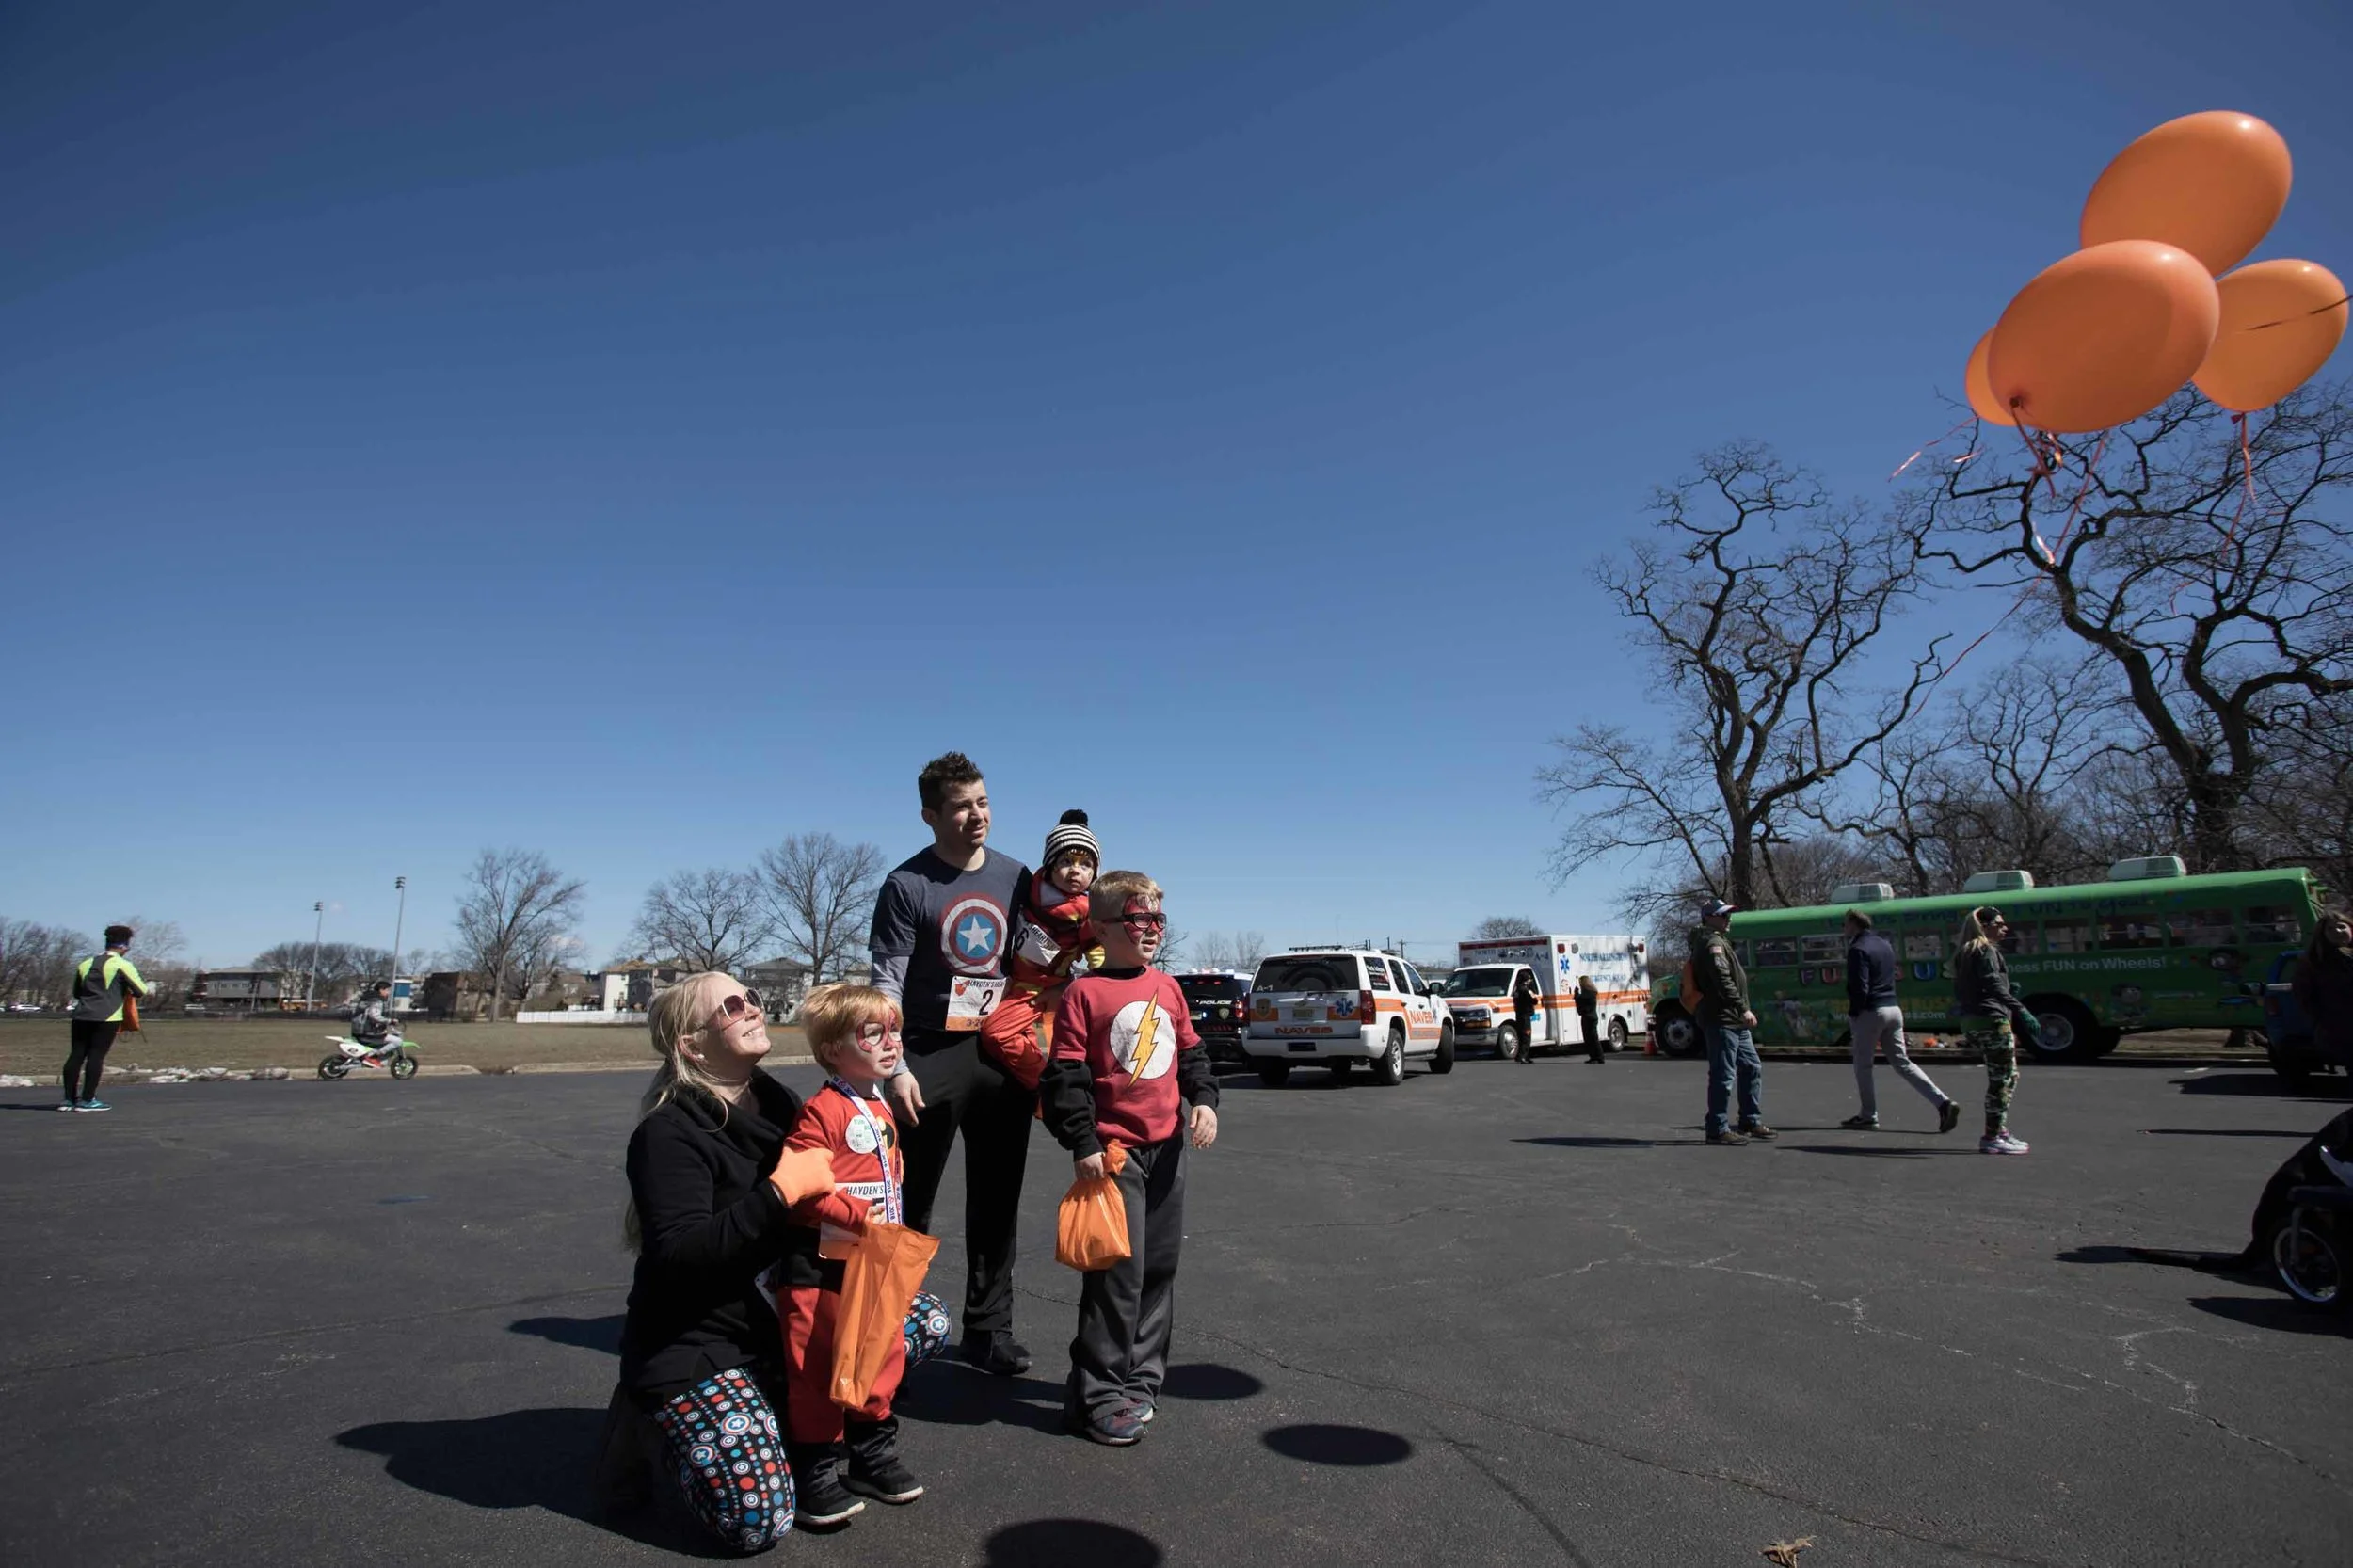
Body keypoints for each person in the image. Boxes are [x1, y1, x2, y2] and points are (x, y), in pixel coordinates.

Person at [598, 972, 951, 1551]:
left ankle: (797, 1417)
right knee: (756, 1516)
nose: (753, 1008)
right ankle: (651, 1424)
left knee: (923, 1318)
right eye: (732, 1006)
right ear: (691, 1044)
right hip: (702, 1338)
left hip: (780, 1313)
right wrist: (779, 1193)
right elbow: (679, 1259)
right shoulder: (668, 1134)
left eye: (753, 998)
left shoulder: (782, 1101)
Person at [869, 752, 1036, 1375]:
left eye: (983, 802)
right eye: (962, 807)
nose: (977, 816)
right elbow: (886, 982)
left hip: (998, 1052)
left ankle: (989, 1332)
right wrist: (893, 1067)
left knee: (997, 1198)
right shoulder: (907, 884)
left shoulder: (1017, 878)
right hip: (926, 1054)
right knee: (908, 1203)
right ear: (930, 815)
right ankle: (889, 1339)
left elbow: (1034, 963)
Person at [1040, 871, 1220, 1446]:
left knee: (1159, 1270)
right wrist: (1083, 1142)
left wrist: (1204, 1100)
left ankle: (1141, 1382)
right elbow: (1065, 1077)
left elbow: (1191, 1055)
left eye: (1158, 919)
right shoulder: (1084, 994)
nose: (1151, 930)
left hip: (1168, 1152)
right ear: (1101, 928)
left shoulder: (1168, 988)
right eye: (1138, 919)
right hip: (1115, 1157)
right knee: (1117, 1277)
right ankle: (1095, 1396)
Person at [776, 984, 928, 1528]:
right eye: (872, 1034)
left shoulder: (880, 1104)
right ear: (832, 1049)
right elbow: (803, 1190)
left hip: (873, 1262)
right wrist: (859, 1215)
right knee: (817, 1366)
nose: (890, 1043)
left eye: (894, 1032)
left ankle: (871, 1454)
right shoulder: (821, 1111)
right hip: (819, 1268)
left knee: (879, 1356)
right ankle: (815, 1468)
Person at [979, 809, 1102, 1092]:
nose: (1076, 870)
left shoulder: (1088, 912)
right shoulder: (1029, 888)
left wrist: (1098, 985)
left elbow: (1097, 954)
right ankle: (1040, 1090)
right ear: (1049, 865)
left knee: (995, 1033)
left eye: (1086, 865)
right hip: (1011, 982)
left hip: (1041, 990)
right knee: (1031, 1042)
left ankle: (1048, 1085)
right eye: (1066, 861)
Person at [1839, 910, 1960, 1134]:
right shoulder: (1885, 945)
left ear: (1854, 924)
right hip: (1893, 1008)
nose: (1843, 928)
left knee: (1863, 1066)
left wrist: (1855, 1012)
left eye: (1844, 924)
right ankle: (1942, 1102)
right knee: (1902, 1062)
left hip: (1871, 1011)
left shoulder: (1858, 949)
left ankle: (1868, 1115)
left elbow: (1860, 986)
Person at [1954, 906, 2038, 1156]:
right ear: (1985, 926)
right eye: (1999, 924)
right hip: (1991, 1020)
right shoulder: (1985, 950)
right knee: (2002, 1079)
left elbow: (1976, 986)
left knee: (2008, 1076)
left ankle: (1999, 1131)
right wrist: (2020, 1008)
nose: (2005, 928)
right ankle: (1993, 1136)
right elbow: (1991, 984)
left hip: (1973, 1020)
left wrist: (2008, 990)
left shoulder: (1965, 952)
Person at [1690, 899, 1773, 1145]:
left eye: (1728, 915)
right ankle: (1717, 1128)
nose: (1728, 919)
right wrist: (1743, 1008)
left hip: (1733, 1019)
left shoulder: (1720, 940)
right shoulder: (1712, 943)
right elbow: (1722, 980)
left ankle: (1749, 1119)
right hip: (1723, 1018)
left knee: (1751, 1066)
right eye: (1723, 915)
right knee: (1724, 1074)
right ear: (1709, 918)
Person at [63, 924, 147, 1112]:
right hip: (107, 1017)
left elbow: (77, 993)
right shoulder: (122, 964)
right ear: (124, 946)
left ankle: (68, 1099)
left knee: (76, 1055)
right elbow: (141, 990)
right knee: (96, 1056)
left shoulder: (85, 964)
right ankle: (87, 1100)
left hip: (81, 1015)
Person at [2291, 906, 2353, 1072]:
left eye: (2341, 926)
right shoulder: (2314, 961)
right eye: (2330, 929)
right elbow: (2304, 995)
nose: (2337, 931)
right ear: (2322, 934)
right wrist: (2327, 1022)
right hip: (2341, 1029)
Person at [350, 981, 402, 1053]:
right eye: (387, 990)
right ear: (381, 990)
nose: (388, 993)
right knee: (398, 1041)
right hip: (368, 1033)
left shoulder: (367, 998)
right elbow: (374, 1016)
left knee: (383, 1040)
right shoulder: (377, 1000)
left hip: (358, 1031)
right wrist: (390, 1021)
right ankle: (375, 1055)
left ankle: (372, 1054)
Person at [1510, 968, 1539, 1064]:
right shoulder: (1525, 991)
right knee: (1526, 1036)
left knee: (1521, 1036)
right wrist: (1532, 993)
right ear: (1525, 980)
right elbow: (1534, 1001)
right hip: (1525, 1016)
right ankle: (1523, 1056)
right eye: (1528, 979)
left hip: (1519, 1015)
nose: (1530, 981)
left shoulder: (1517, 990)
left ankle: (1521, 1056)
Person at [1576, 973, 1604, 1064]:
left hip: (1589, 1018)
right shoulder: (1589, 993)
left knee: (1592, 1039)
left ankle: (1597, 1057)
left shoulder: (1589, 994)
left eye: (1581, 983)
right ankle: (1595, 1057)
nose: (1580, 985)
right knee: (1591, 1039)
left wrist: (1577, 996)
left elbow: (1582, 1003)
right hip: (1589, 1017)